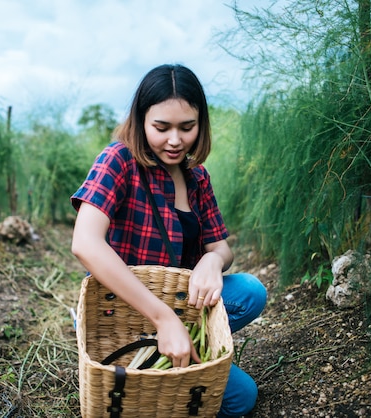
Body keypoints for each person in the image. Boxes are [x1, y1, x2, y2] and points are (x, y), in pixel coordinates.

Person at [70, 63, 267, 417]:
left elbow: (221, 247)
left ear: (200, 125)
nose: (175, 140)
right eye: (161, 127)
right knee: (237, 397)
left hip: (179, 306)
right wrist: (163, 319)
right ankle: (147, 361)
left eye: (187, 127)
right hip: (121, 311)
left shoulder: (197, 177)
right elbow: (85, 243)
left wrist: (212, 261)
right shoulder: (118, 160)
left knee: (250, 294)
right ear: (141, 121)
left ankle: (164, 362)